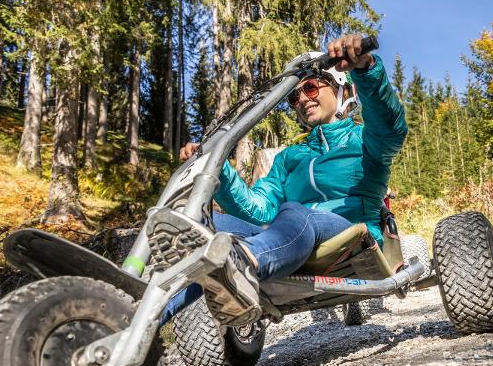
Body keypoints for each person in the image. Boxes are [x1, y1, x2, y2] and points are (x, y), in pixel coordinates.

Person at [152, 34, 408, 326]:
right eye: (294, 96)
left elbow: (390, 124)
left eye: (310, 87)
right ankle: (142, 318)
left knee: (296, 211)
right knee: (203, 226)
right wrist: (217, 167)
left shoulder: (366, 140)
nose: (302, 100)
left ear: (341, 89)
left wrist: (365, 69)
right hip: (289, 240)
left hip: (351, 236)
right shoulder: (290, 157)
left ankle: (244, 265)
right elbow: (259, 209)